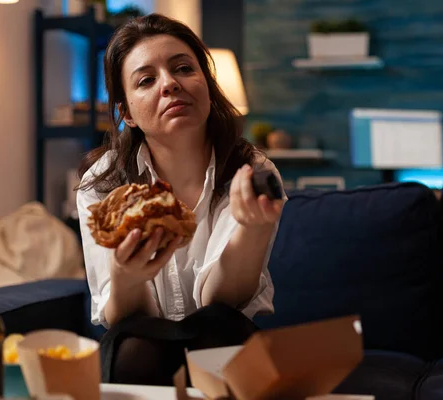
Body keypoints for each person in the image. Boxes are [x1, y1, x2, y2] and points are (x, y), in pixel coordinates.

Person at [75, 13, 286, 385]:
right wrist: (126, 274)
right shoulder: (103, 186)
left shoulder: (250, 170)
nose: (170, 84)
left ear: (206, 84)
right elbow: (123, 316)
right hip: (138, 346)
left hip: (222, 333)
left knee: (215, 327)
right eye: (146, 80)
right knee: (136, 341)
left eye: (183, 68)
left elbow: (219, 301)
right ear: (127, 113)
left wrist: (252, 231)